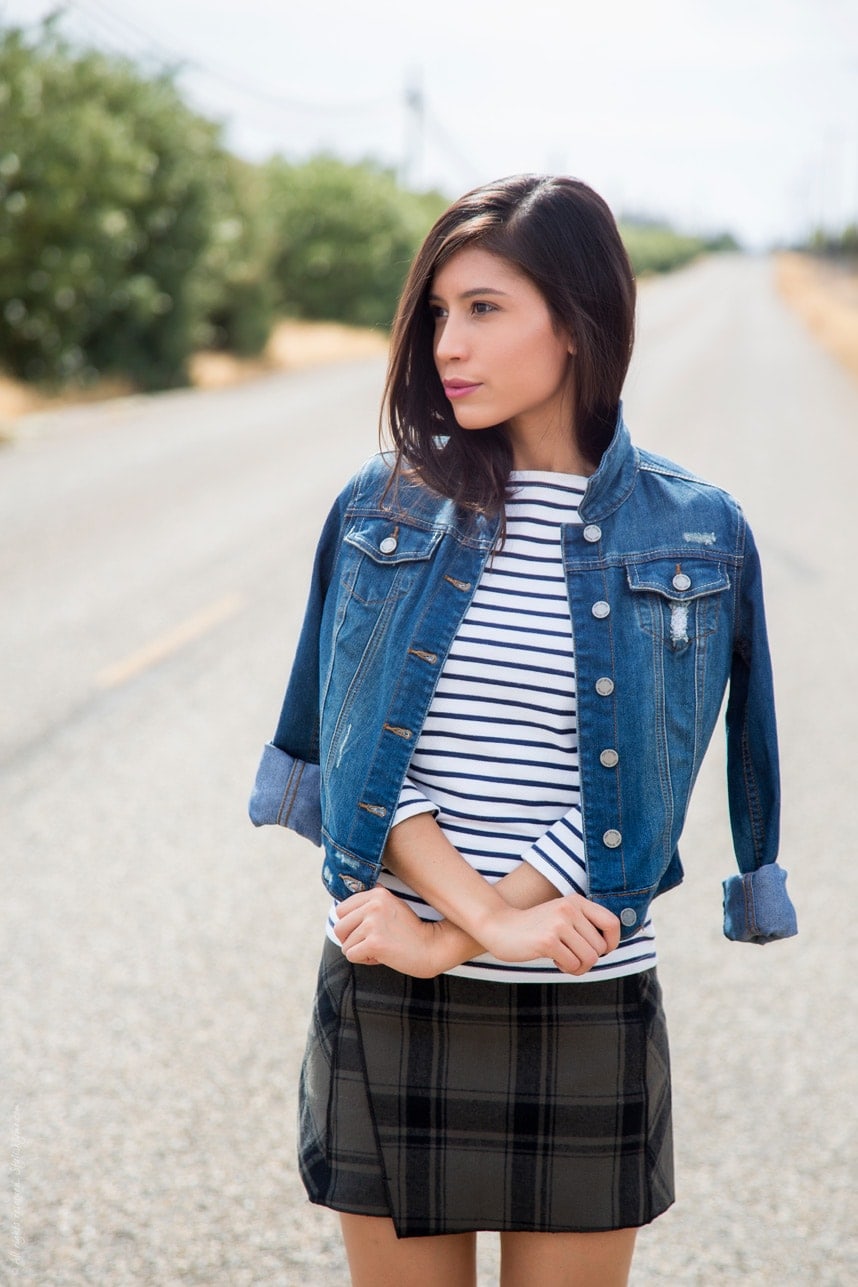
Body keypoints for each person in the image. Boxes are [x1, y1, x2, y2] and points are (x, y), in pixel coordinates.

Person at [249, 174, 797, 1287]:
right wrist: (484, 929)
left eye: (486, 309)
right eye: (440, 312)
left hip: (583, 993)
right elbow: (364, 764)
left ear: (579, 322)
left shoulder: (693, 534)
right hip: (390, 991)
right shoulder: (381, 509)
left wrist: (459, 935)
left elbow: (639, 799)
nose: (449, 343)